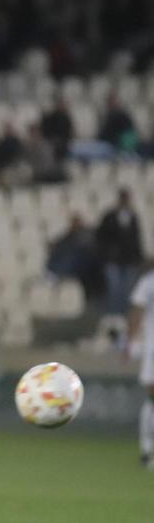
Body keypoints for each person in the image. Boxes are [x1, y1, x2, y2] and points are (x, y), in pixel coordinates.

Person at [96, 188, 144, 316]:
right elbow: (101, 237)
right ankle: (113, 314)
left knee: (127, 290)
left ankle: (124, 314)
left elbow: (136, 238)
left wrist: (138, 257)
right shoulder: (109, 216)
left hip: (129, 259)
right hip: (112, 259)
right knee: (114, 289)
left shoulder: (133, 217)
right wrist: (106, 254)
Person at [126, 264, 154, 470]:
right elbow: (137, 311)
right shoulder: (148, 282)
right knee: (152, 397)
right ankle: (146, 448)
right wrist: (132, 341)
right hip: (153, 347)